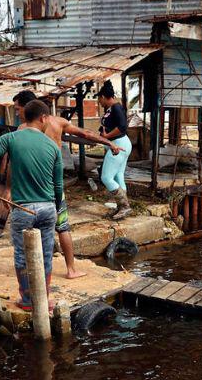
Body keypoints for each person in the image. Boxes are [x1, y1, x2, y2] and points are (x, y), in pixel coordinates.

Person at [10, 89, 123, 280]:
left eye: (18, 109)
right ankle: (70, 269)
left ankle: (32, 271)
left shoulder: (23, 131)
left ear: (28, 108)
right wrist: (108, 143)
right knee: (62, 227)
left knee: (29, 227)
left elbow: (14, 163)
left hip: (33, 189)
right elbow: (85, 134)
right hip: (53, 186)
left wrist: (9, 190)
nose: (17, 113)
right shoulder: (58, 122)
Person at [0, 99, 62, 310]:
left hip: (23, 209)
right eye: (47, 119)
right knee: (46, 254)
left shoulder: (11, 138)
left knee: (22, 255)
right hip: (48, 208)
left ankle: (27, 300)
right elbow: (58, 185)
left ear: (25, 116)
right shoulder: (53, 146)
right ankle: (44, 298)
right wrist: (56, 207)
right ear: (43, 118)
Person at [96, 81, 132, 221]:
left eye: (99, 99)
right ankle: (122, 207)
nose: (99, 103)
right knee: (118, 175)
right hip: (119, 144)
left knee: (106, 177)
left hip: (118, 145)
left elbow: (122, 127)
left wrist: (106, 137)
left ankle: (124, 206)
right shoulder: (111, 109)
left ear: (104, 97)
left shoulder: (116, 108)